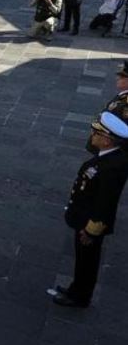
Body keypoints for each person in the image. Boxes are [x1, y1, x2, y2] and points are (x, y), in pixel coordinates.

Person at [52, 112, 128, 308]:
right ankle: (76, 288)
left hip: (90, 223)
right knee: (83, 259)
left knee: (87, 261)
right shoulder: (108, 157)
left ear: (107, 140)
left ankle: (80, 296)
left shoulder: (112, 167)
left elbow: (106, 203)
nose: (92, 135)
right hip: (83, 217)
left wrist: (92, 230)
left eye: (96, 133)